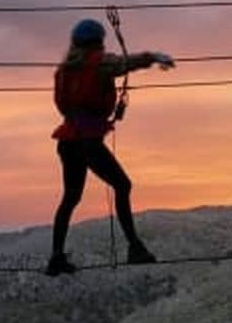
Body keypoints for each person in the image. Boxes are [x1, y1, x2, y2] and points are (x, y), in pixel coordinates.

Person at [47, 18, 175, 276]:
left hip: (67, 141)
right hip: (87, 142)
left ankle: (56, 258)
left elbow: (63, 106)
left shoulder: (63, 71)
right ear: (98, 42)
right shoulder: (98, 63)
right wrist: (153, 57)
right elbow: (123, 64)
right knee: (123, 186)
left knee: (70, 198)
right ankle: (135, 248)